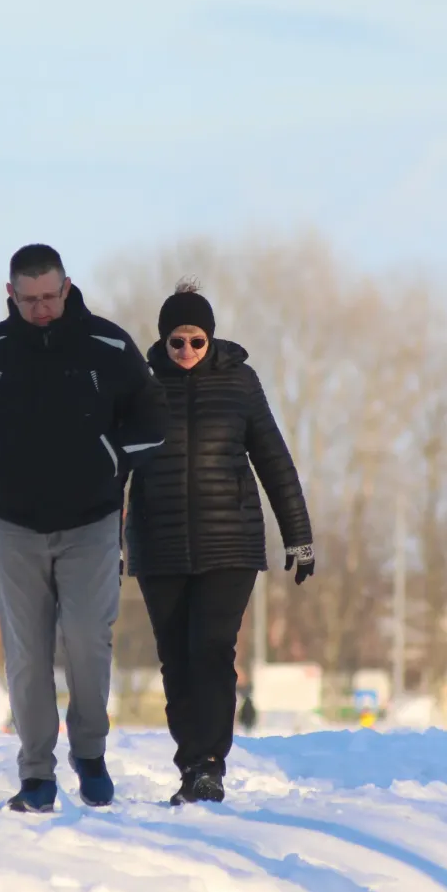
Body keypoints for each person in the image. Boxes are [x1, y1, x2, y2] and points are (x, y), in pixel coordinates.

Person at [0, 244, 166, 813]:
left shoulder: (107, 345)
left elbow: (152, 418)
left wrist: (110, 456)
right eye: (29, 299)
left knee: (87, 640)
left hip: (92, 522)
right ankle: (36, 773)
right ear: (10, 294)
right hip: (13, 526)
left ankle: (89, 751)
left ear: (67, 288)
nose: (41, 309)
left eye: (50, 297)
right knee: (27, 654)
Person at [125, 280, 314, 805]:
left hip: (229, 542)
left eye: (196, 341)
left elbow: (274, 459)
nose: (186, 351)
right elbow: (112, 467)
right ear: (162, 341)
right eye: (176, 342)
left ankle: (210, 765)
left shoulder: (240, 384)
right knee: (175, 660)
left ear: (211, 339)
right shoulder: (139, 386)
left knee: (210, 650)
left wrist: (297, 535)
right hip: (158, 544)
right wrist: (105, 541)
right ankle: (191, 764)